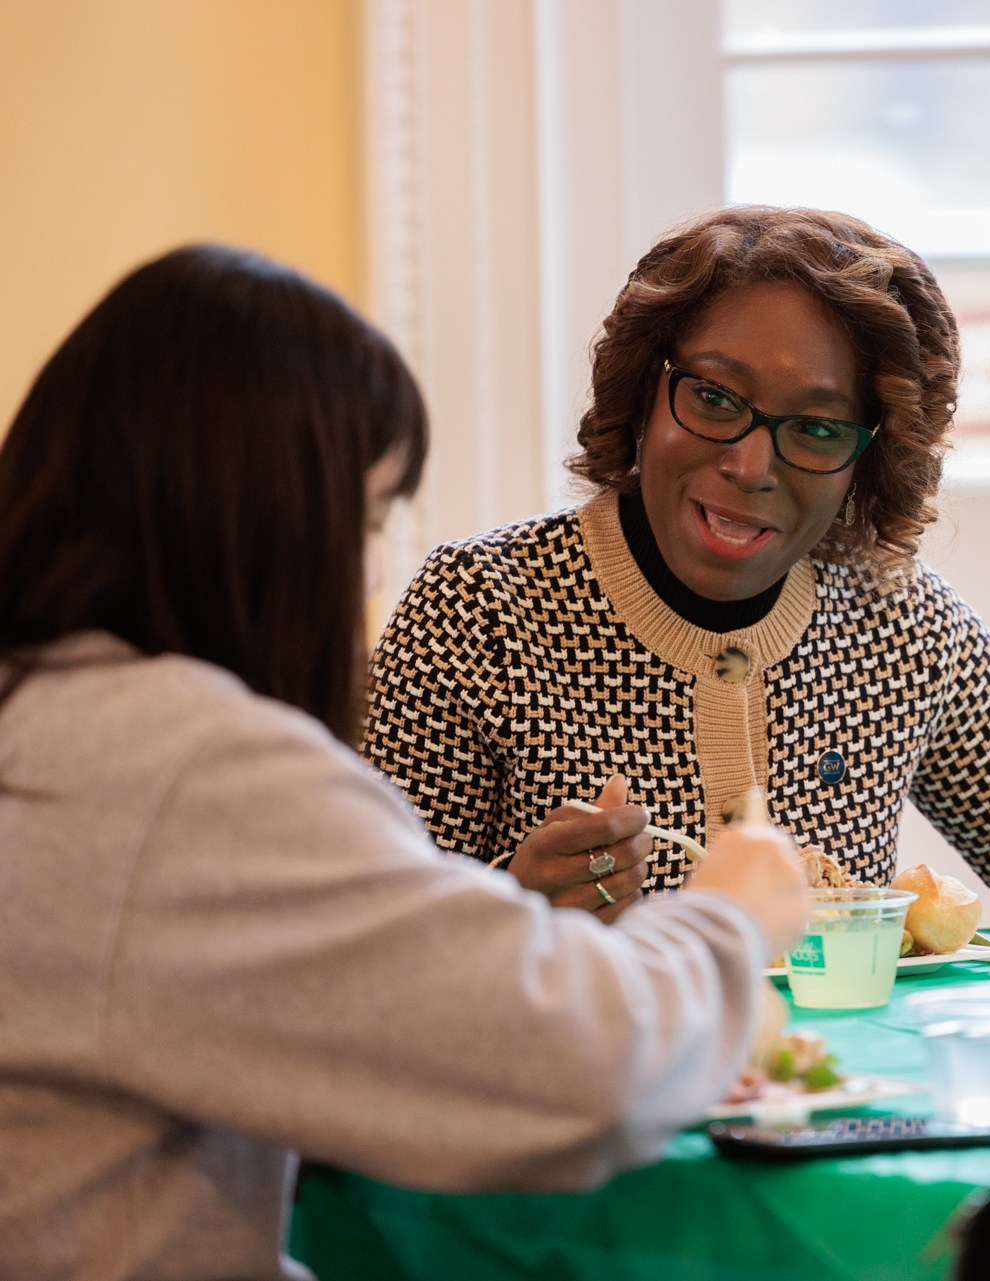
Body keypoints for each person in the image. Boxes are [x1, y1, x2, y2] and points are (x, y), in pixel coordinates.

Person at [0, 245, 810, 1280]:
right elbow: (577, 1066)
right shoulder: (184, 769)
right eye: (368, 516)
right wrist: (728, 916)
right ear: (267, 516)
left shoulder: (45, 712)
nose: (369, 566)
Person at [363, 206, 990, 923]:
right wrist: (507, 907)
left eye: (816, 427)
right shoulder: (478, 609)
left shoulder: (900, 623)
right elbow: (364, 951)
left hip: (846, 1102)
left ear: (866, 461)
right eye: (716, 398)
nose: (751, 466)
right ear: (642, 394)